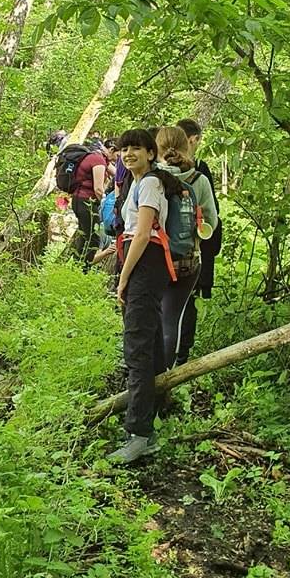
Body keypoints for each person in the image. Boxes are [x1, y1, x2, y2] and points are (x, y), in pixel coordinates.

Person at [108, 128, 184, 466]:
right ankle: (152, 420)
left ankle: (138, 434)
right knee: (149, 342)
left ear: (151, 153)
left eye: (136, 148)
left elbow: (142, 234)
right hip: (143, 262)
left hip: (145, 262)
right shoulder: (137, 183)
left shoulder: (151, 183)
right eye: (124, 149)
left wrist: (123, 278)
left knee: (136, 347)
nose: (128, 154)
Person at [155, 126, 218, 369]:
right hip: (187, 260)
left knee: (152, 316)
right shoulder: (199, 180)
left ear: (156, 148)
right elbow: (211, 221)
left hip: (153, 257)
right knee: (173, 319)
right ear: (187, 145)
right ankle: (170, 371)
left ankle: (148, 372)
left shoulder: (150, 177)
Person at [176, 117, 223, 363]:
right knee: (187, 301)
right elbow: (212, 217)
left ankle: (167, 356)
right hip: (193, 249)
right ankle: (181, 356)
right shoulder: (199, 172)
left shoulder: (156, 170)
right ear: (194, 139)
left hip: (161, 249)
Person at [47, 130, 107, 268]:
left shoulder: (86, 158)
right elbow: (98, 189)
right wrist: (105, 204)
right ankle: (83, 269)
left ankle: (75, 267)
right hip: (88, 202)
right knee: (93, 238)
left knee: (84, 235)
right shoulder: (98, 159)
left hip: (77, 200)